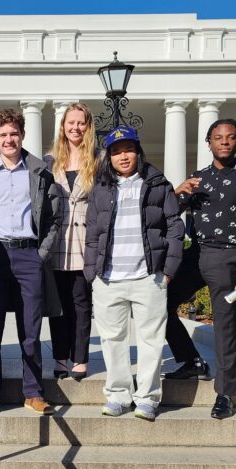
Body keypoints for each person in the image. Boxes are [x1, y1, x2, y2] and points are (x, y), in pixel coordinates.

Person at [164, 118, 236, 420]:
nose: (224, 142)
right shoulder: (198, 178)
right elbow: (166, 213)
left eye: (230, 137)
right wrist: (177, 191)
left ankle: (225, 393)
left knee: (224, 324)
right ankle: (190, 361)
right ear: (209, 143)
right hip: (194, 254)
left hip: (227, 257)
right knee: (160, 303)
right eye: (218, 137)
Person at [0, 108, 62, 416]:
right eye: (3, 135)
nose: (9, 139)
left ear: (22, 135)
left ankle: (32, 392)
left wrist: (40, 254)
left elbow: (55, 219)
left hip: (27, 254)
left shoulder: (40, 173)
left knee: (30, 330)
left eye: (14, 134)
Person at [83, 126, 184, 420]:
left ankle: (148, 398)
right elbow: (92, 233)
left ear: (137, 151)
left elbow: (175, 226)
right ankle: (118, 395)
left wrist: (169, 269)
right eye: (116, 152)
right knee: (112, 339)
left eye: (128, 150)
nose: (123, 156)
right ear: (109, 157)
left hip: (148, 277)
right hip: (109, 278)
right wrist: (93, 272)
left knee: (151, 340)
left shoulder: (157, 184)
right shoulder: (100, 188)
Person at [44, 102, 99, 381]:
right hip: (56, 243)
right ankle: (60, 357)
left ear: (88, 127)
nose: (75, 127)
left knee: (81, 303)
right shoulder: (49, 161)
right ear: (63, 126)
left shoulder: (98, 160)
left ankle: (80, 358)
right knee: (58, 305)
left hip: (83, 243)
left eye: (81, 123)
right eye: (71, 122)